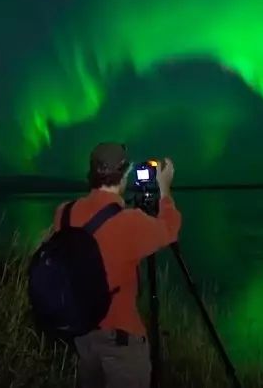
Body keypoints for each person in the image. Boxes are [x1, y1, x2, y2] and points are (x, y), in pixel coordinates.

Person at [51, 142, 181, 388]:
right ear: (125, 174)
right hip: (121, 342)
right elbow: (170, 228)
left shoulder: (63, 213)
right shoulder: (130, 222)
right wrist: (164, 190)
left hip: (82, 335)